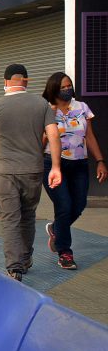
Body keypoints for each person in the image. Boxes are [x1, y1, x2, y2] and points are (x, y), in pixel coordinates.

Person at [0, 64, 62, 282]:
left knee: (10, 218)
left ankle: (14, 267)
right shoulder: (42, 104)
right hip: (33, 169)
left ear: (6, 81)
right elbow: (54, 136)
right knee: (28, 216)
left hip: (5, 172)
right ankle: (27, 258)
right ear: (26, 81)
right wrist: (56, 167)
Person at [41, 72, 107, 270]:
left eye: (69, 85)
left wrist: (100, 161)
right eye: (63, 87)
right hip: (53, 165)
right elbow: (39, 141)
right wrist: (48, 119)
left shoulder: (81, 107)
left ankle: (56, 229)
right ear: (53, 89)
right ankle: (65, 252)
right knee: (64, 206)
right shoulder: (45, 110)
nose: (67, 89)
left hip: (79, 164)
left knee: (78, 205)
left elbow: (90, 136)